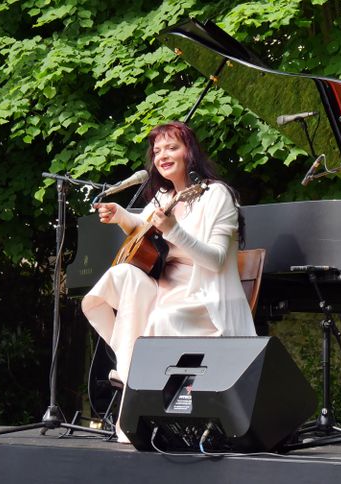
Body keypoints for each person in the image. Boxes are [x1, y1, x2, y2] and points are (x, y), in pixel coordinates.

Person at [81, 121, 256, 441]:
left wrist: (173, 230)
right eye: (157, 149)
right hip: (167, 285)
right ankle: (132, 370)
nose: (162, 155)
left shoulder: (217, 195)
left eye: (172, 147)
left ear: (190, 152)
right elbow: (145, 230)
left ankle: (142, 393)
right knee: (115, 282)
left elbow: (216, 260)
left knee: (164, 316)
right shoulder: (164, 196)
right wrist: (121, 214)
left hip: (206, 293)